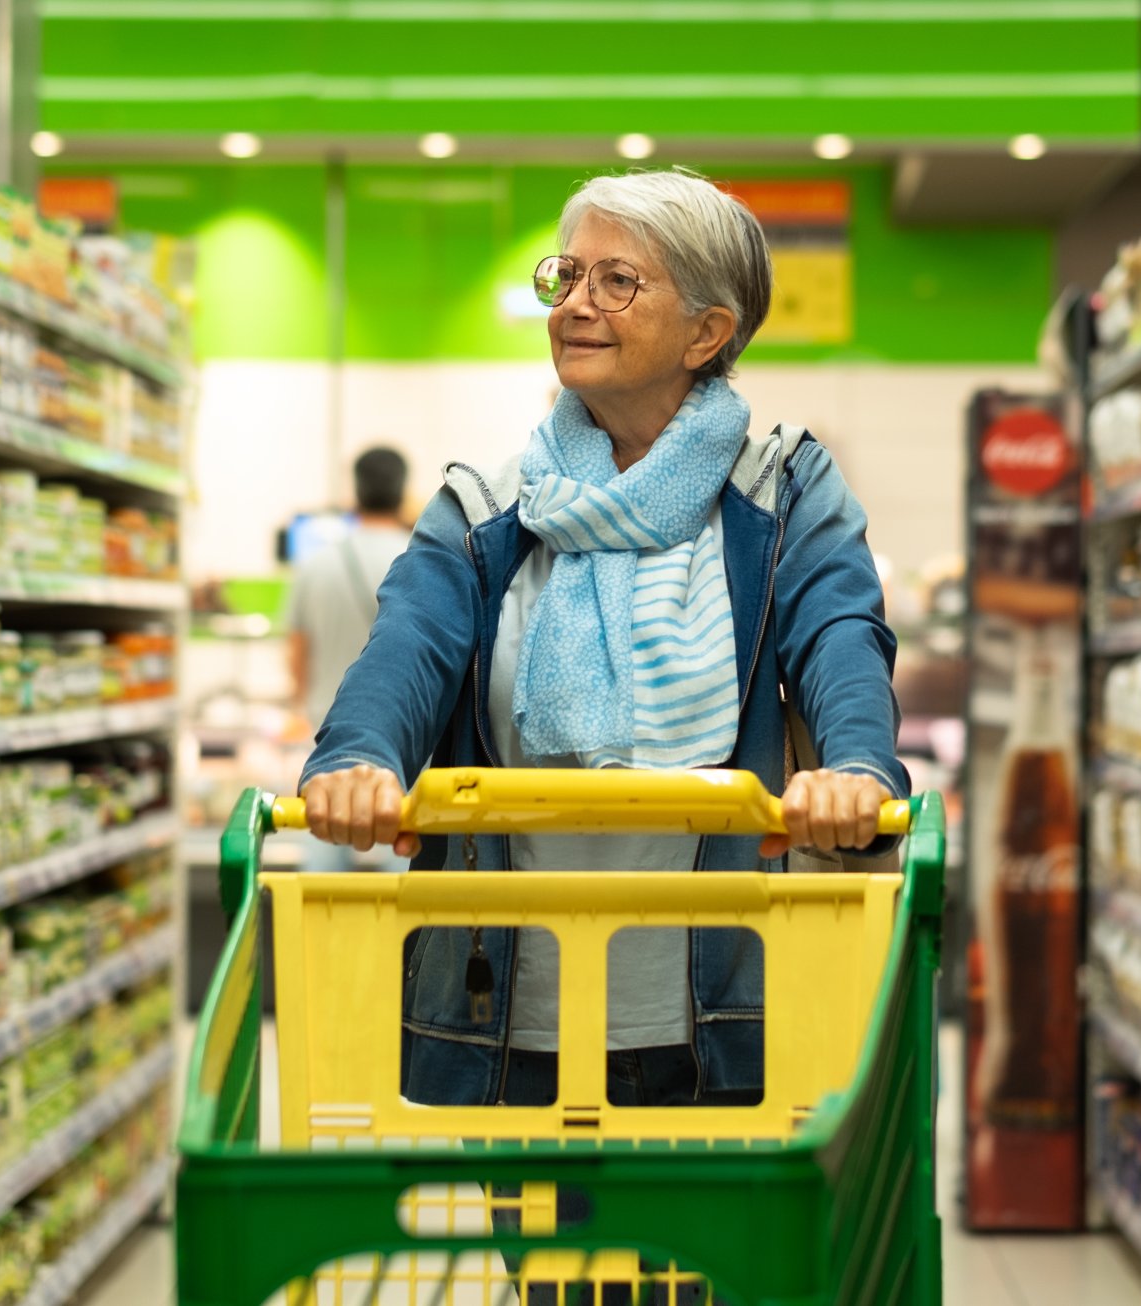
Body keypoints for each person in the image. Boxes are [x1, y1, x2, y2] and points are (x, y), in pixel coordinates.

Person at [298, 167, 904, 1110]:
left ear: (708, 332)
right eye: (565, 277)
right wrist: (360, 758)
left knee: (723, 1263)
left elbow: (839, 635)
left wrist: (858, 767)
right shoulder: (490, 509)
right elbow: (406, 650)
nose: (575, 305)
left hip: (728, 1015)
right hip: (514, 1019)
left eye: (616, 281)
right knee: (549, 1264)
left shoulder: (779, 496)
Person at [285, 447, 411, 871]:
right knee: (402, 888)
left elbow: (298, 653)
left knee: (321, 886)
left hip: (324, 742)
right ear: (403, 491)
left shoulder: (317, 563)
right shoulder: (421, 558)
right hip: (404, 746)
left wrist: (300, 705)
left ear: (354, 491)